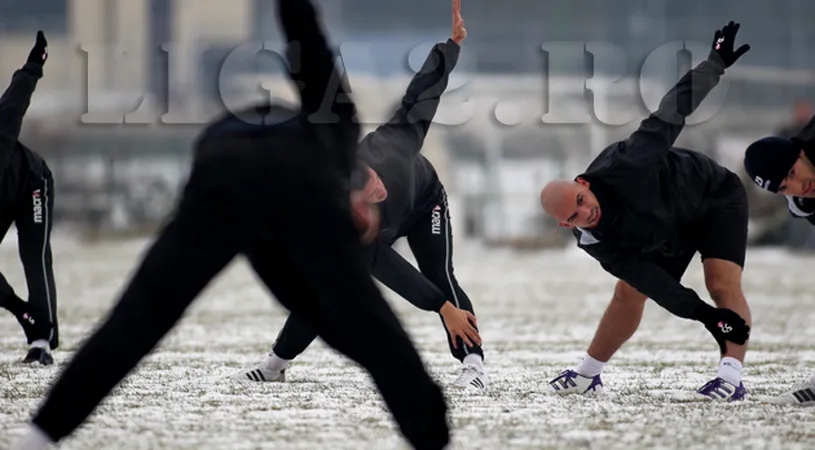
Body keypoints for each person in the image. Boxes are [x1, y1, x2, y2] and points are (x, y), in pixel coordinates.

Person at [10, 1, 451, 449]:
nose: (369, 224)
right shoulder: (337, 137)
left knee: (138, 320)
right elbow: (307, 42)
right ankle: (432, 435)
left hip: (222, 181)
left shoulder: (336, 131)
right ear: (363, 196)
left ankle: (38, 437)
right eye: (368, 222)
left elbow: (305, 40)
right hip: (248, 187)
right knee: (366, 330)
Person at [233, 0, 487, 391]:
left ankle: (473, 365)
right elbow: (398, 276)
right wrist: (440, 306)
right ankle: (276, 364)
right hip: (364, 233)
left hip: (424, 202)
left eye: (372, 179)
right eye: (367, 192)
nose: (377, 188)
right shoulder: (346, 227)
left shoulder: (394, 142)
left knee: (440, 274)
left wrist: (450, 46)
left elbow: (424, 92)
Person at [538, 21, 752, 401]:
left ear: (583, 186)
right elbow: (654, 282)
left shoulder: (628, 163)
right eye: (573, 217)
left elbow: (672, 111)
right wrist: (705, 316)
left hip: (713, 194)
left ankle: (731, 378)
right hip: (669, 227)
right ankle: (587, 375)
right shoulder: (593, 239)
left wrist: (714, 64)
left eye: (581, 203)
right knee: (629, 291)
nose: (584, 215)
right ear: (563, 224)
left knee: (720, 282)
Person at [743, 103, 815, 405]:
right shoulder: (803, 201)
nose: (800, 186)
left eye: (793, 173)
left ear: (800, 153)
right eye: (786, 187)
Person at [0, 30, 59, 366]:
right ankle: (27, 316)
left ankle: (43, 342)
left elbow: (15, 98)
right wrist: (19, 308)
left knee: (34, 258)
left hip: (31, 183)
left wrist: (34, 64)